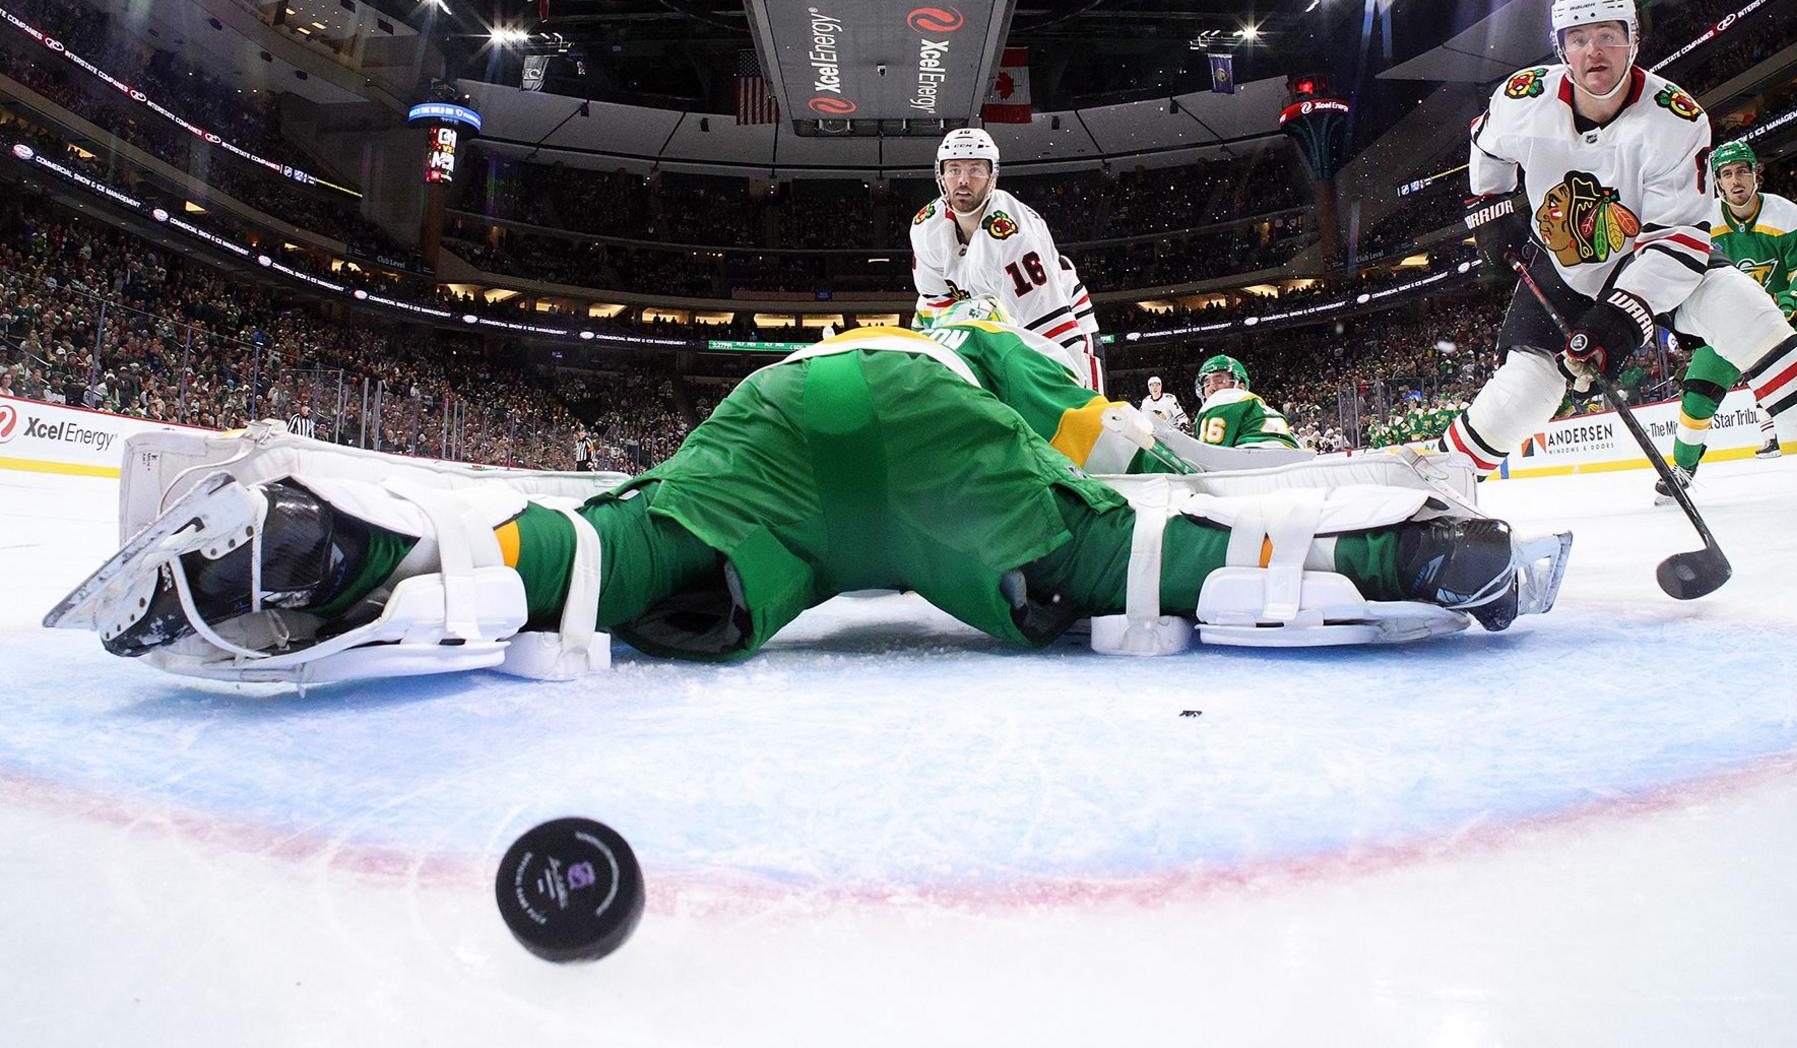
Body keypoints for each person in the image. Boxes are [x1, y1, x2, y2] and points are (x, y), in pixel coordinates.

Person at [49, 302, 1570, 685]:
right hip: (941, 443)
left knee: (620, 551)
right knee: (1136, 560)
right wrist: (1189, 468)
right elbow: (1113, 450)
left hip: (770, 435)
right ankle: (1403, 556)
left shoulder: (811, 346)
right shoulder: (981, 337)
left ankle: (340, 551)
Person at [1443, 0, 1797, 530]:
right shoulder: (1523, 98)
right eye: (1578, 38)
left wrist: (1620, 320)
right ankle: (1437, 487)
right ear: (1561, 49)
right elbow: (1485, 144)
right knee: (1527, 392)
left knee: (1744, 310)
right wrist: (1488, 207)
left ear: (1633, 39)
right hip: (1563, 267)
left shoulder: (1675, 119)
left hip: (1654, 254)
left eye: (1607, 34)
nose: (1593, 51)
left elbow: (1678, 241)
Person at [1665, 140, 1797, 486]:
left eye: (1743, 171)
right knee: (1698, 396)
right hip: (1728, 323)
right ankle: (1683, 468)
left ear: (1755, 175)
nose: (1736, 181)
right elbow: (1685, 273)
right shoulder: (1703, 221)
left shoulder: (1785, 213)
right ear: (1717, 183)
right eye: (1727, 174)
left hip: (1786, 314)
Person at [911, 127, 1103, 390]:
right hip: (994, 325)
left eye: (975, 169)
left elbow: (1053, 330)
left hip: (1061, 322)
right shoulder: (926, 226)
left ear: (992, 176)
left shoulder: (1013, 237)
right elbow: (934, 308)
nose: (963, 180)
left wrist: (1076, 397)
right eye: (954, 169)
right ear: (941, 174)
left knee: (1083, 417)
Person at [1191, 354, 1303, 451]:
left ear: (1240, 387)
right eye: (1207, 383)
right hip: (1290, 455)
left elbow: (1210, 454)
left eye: (1220, 381)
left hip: (1253, 455)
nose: (1212, 388)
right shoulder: (1262, 408)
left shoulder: (1225, 400)